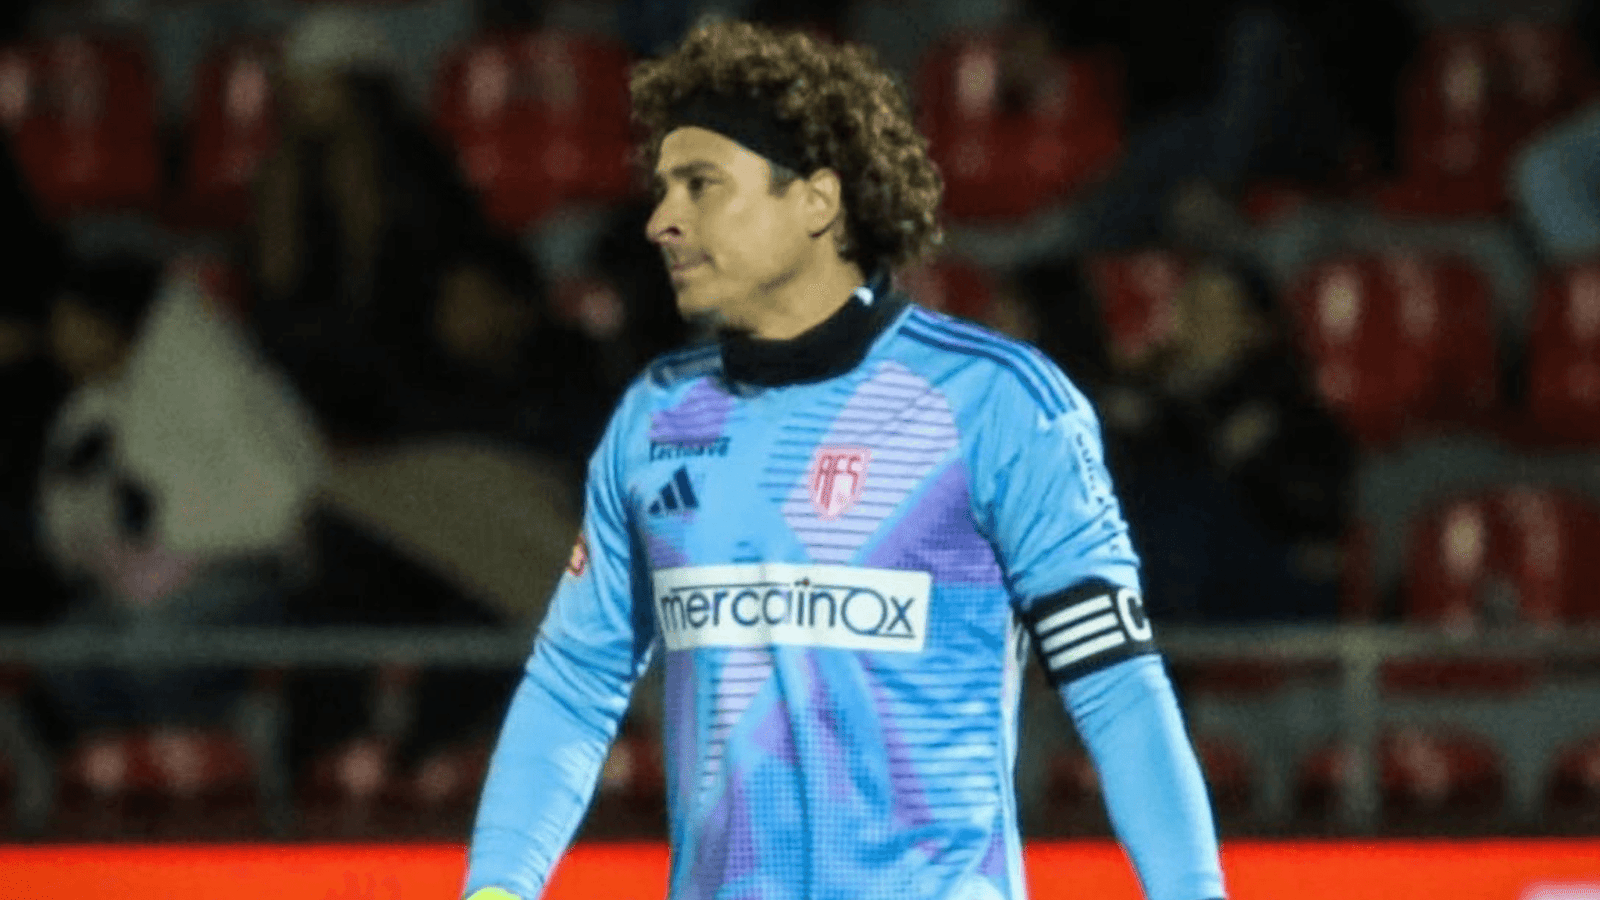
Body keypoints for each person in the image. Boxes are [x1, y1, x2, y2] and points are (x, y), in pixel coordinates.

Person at [463, 21, 1225, 900]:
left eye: (701, 186)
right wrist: (497, 888)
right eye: (664, 188)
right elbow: (573, 682)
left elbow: (1118, 685)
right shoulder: (654, 419)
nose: (661, 221)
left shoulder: (996, 404)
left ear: (818, 201)